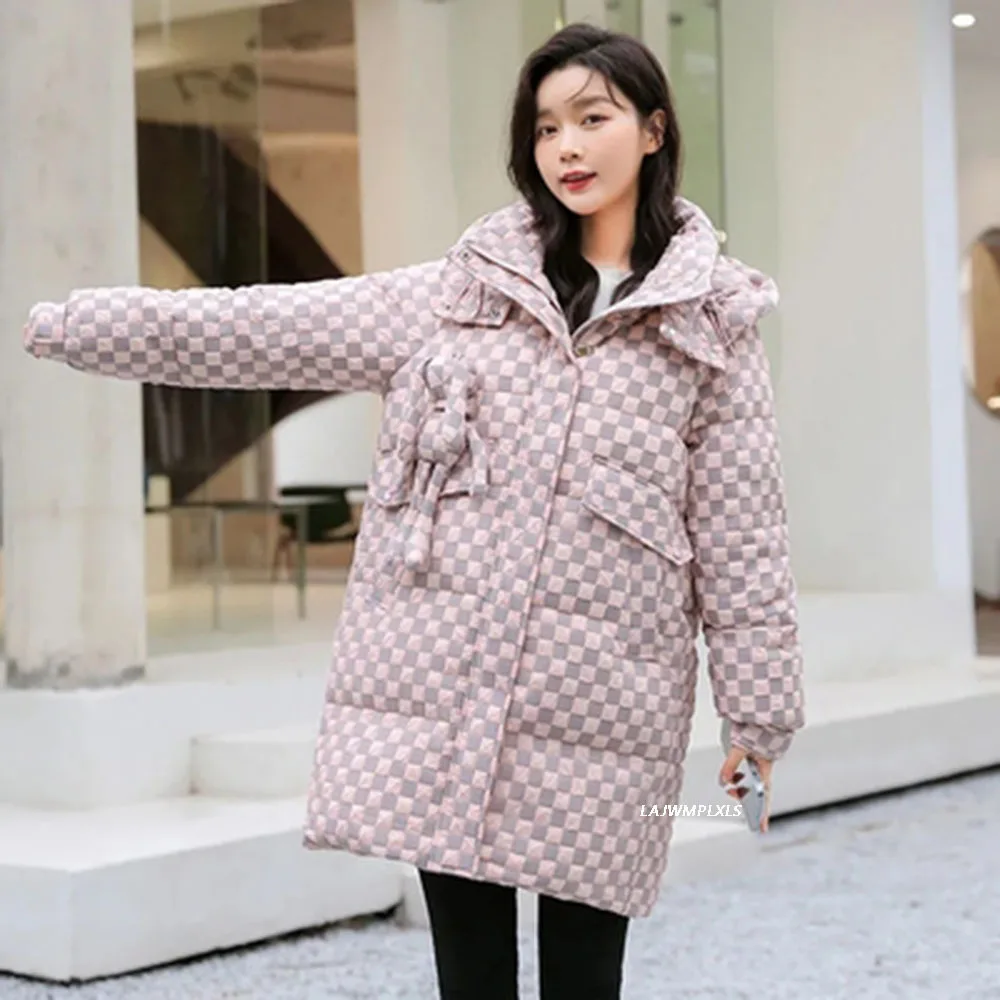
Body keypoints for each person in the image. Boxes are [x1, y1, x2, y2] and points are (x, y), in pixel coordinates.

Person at [22, 22, 805, 1000]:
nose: (565, 146)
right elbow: (259, 328)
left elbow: (742, 534)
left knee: (584, 973)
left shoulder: (710, 326)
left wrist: (757, 715)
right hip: (449, 697)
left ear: (653, 131)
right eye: (545, 127)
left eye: (591, 119)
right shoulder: (458, 296)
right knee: (468, 974)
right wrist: (79, 325)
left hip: (603, 707)